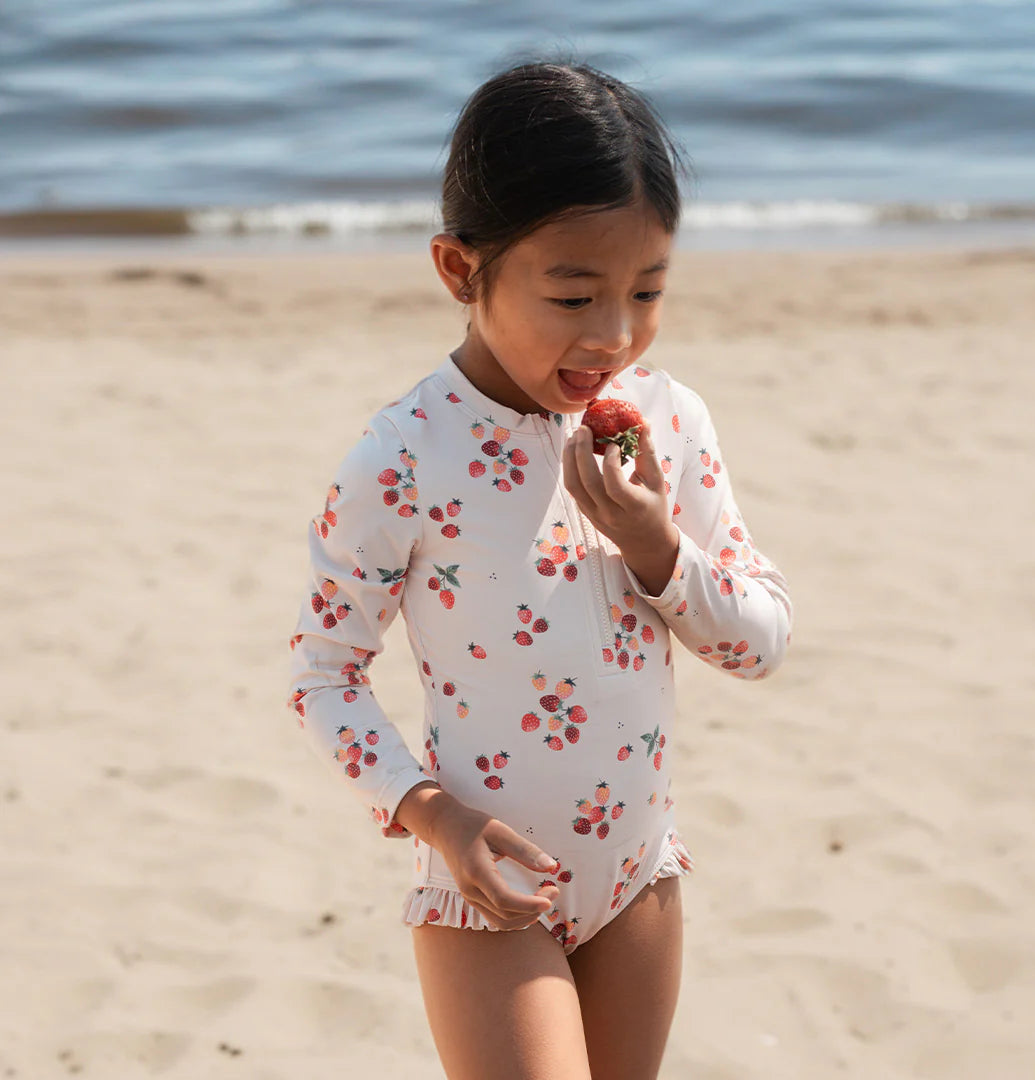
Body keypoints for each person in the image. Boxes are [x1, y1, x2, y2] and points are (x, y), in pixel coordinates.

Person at [286, 57, 793, 1080]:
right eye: (572, 294)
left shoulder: (668, 423)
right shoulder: (403, 457)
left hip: (639, 876)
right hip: (487, 889)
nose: (612, 335)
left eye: (647, 290)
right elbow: (321, 675)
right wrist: (433, 815)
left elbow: (760, 643)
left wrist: (658, 548)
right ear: (459, 268)